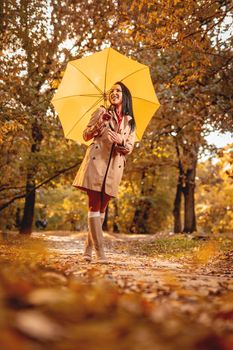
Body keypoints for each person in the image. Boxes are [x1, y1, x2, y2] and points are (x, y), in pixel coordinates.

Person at [72, 82, 136, 263]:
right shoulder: (101, 112)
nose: (114, 93)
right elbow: (86, 135)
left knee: (102, 209)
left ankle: (87, 250)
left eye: (118, 91)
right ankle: (100, 254)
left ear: (125, 96)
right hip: (96, 163)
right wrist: (100, 123)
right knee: (94, 204)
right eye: (112, 91)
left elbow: (129, 148)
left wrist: (121, 142)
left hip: (115, 168)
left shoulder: (130, 122)